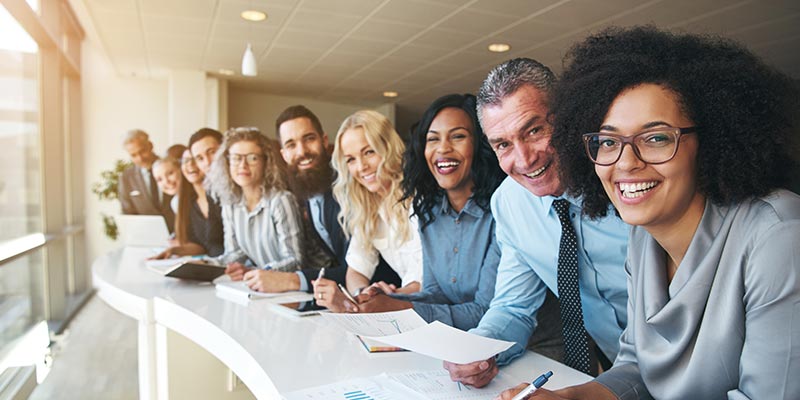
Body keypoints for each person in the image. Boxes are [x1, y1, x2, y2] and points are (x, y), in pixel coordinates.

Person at [497, 26, 800, 400]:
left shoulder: (779, 235)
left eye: (656, 138)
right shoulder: (644, 236)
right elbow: (638, 366)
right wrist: (569, 398)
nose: (625, 163)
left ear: (711, 141)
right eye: (608, 141)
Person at [443, 58, 630, 386]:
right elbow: (514, 307)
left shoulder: (625, 180)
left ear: (566, 117)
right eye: (503, 144)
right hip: (622, 373)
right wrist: (480, 347)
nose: (525, 159)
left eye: (534, 131)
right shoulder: (509, 203)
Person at [340, 94, 505, 331]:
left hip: (527, 350)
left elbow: (485, 311)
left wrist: (401, 308)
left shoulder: (501, 213)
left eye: (457, 136)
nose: (443, 148)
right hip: (462, 341)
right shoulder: (432, 212)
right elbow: (435, 293)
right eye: (433, 139)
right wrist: (371, 301)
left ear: (480, 144)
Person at [253, 105, 401, 293]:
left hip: (392, 292)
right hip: (358, 294)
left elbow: (361, 267)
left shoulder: (354, 186)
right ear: (284, 154)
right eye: (291, 145)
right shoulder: (305, 190)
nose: (302, 151)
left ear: (324, 141)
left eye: (309, 139)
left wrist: (293, 281)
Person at [314, 110, 423, 311]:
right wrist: (361, 293)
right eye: (351, 159)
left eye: (369, 152)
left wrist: (386, 296)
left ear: (388, 147)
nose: (361, 166)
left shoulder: (422, 199)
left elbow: (428, 283)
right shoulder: (369, 208)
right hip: (405, 309)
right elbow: (355, 271)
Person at [206, 127, 305, 281]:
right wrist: (206, 264)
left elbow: (295, 261)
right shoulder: (229, 204)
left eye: (252, 158)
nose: (243, 165)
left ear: (266, 162)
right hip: (259, 285)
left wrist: (257, 272)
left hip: (288, 287)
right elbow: (235, 253)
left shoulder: (281, 200)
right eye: (236, 158)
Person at [151, 129, 225, 259]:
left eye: (194, 159)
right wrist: (173, 251)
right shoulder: (188, 203)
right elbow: (201, 246)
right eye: (185, 161)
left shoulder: (220, 196)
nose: (190, 165)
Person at [118, 129, 175, 231]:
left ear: (150, 145)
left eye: (142, 151)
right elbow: (127, 213)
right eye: (133, 155)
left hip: (179, 234)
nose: (140, 158)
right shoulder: (126, 177)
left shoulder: (172, 167)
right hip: (146, 235)